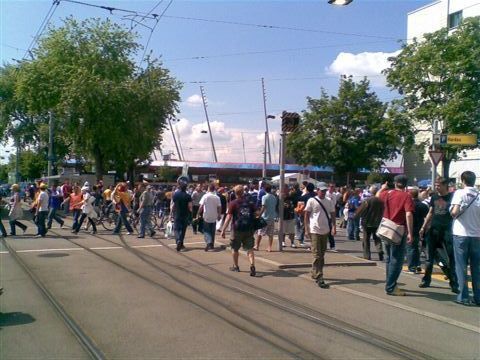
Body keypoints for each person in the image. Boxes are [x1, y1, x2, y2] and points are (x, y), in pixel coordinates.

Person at [419, 177, 458, 293]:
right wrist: (423, 227)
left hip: (447, 231)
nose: (436, 187)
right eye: (436, 185)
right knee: (429, 258)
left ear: (446, 186)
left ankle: (454, 283)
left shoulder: (452, 197)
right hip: (433, 230)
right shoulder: (434, 197)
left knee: (451, 258)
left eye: (439, 185)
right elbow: (430, 212)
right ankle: (426, 279)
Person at [377, 175, 414, 296]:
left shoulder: (387, 193)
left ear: (395, 183)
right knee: (396, 260)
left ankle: (390, 282)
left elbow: (377, 197)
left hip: (386, 229)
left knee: (389, 258)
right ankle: (391, 286)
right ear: (405, 184)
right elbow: (408, 214)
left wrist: (382, 188)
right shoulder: (406, 196)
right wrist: (410, 232)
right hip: (398, 230)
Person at [449, 171, 480, 306]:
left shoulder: (460, 193)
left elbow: (455, 212)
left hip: (461, 233)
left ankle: (463, 296)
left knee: (461, 266)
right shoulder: (479, 195)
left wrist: (452, 212)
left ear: (462, 180)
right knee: (476, 268)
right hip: (476, 235)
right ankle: (478, 297)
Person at [304, 182, 336, 288]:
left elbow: (332, 214)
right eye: (321, 190)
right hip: (315, 230)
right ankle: (319, 276)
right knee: (317, 254)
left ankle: (315, 271)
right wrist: (307, 229)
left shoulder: (329, 201)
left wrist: (334, 227)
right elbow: (307, 215)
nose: (323, 192)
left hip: (325, 230)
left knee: (321, 254)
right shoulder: (312, 201)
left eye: (324, 191)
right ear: (317, 190)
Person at [220, 185, 256, 276]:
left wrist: (223, 230)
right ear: (243, 192)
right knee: (250, 249)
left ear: (235, 193)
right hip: (248, 229)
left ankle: (236, 266)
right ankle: (252, 265)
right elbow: (256, 214)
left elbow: (228, 217)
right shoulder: (250, 202)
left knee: (235, 248)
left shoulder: (233, 203)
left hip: (237, 229)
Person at [354, 185, 384, 261]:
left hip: (367, 222)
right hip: (377, 223)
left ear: (370, 192)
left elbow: (360, 210)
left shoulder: (367, 201)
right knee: (377, 238)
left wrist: (356, 216)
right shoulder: (380, 201)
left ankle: (367, 255)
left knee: (366, 240)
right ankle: (380, 251)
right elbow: (383, 211)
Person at [408, 187, 428, 273]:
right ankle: (418, 264)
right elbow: (427, 217)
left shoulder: (409, 205)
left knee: (411, 248)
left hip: (410, 228)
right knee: (416, 248)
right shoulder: (423, 205)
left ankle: (412, 267)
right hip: (420, 228)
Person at [198, 183, 221, 251]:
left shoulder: (205, 196)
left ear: (208, 189)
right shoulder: (217, 197)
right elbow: (219, 207)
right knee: (212, 231)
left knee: (207, 230)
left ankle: (209, 243)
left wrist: (198, 213)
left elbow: (201, 206)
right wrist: (219, 215)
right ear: (214, 189)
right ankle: (211, 245)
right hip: (214, 215)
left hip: (207, 215)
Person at [171, 178, 192, 251]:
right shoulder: (188, 196)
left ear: (180, 187)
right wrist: (191, 214)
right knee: (183, 230)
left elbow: (173, 205)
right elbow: (190, 207)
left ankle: (178, 241)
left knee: (176, 229)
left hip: (177, 214)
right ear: (186, 188)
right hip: (185, 214)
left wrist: (171, 214)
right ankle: (181, 243)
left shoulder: (175, 195)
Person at [254, 184, 278, 252]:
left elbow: (263, 207)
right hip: (272, 217)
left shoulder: (264, 197)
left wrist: (259, 215)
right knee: (270, 234)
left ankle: (257, 246)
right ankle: (269, 247)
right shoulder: (274, 197)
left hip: (265, 217)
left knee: (260, 233)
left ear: (264, 189)